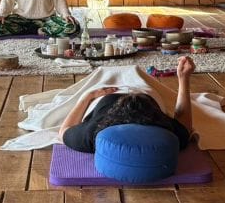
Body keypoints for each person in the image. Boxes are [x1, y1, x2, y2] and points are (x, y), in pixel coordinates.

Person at [59, 55, 195, 153]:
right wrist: (184, 79)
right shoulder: (169, 134)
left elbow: (64, 130)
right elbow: (185, 124)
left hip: (132, 94)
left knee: (111, 73)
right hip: (142, 93)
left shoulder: (92, 134)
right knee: (118, 72)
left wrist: (88, 97)